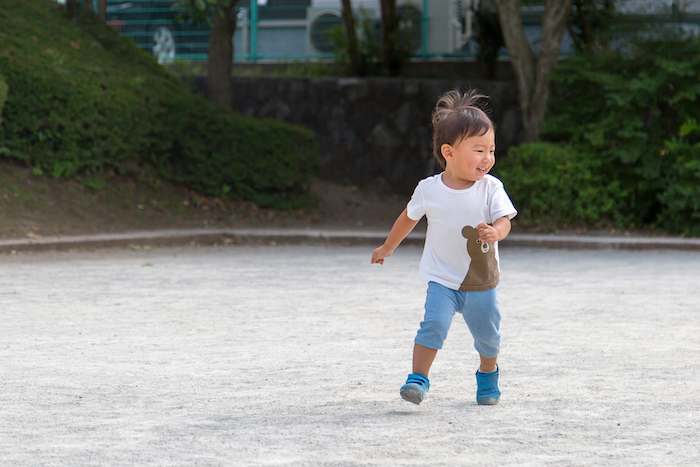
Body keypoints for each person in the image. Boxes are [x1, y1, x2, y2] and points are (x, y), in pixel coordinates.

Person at [370, 89, 517, 406]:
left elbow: (505, 220)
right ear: (448, 152)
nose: (488, 157)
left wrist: (496, 232)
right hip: (442, 279)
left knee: (488, 337)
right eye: (479, 150)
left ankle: (488, 373)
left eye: (491, 150)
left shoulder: (491, 188)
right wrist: (387, 247)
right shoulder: (429, 189)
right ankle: (418, 379)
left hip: (481, 281)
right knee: (433, 325)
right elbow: (407, 219)